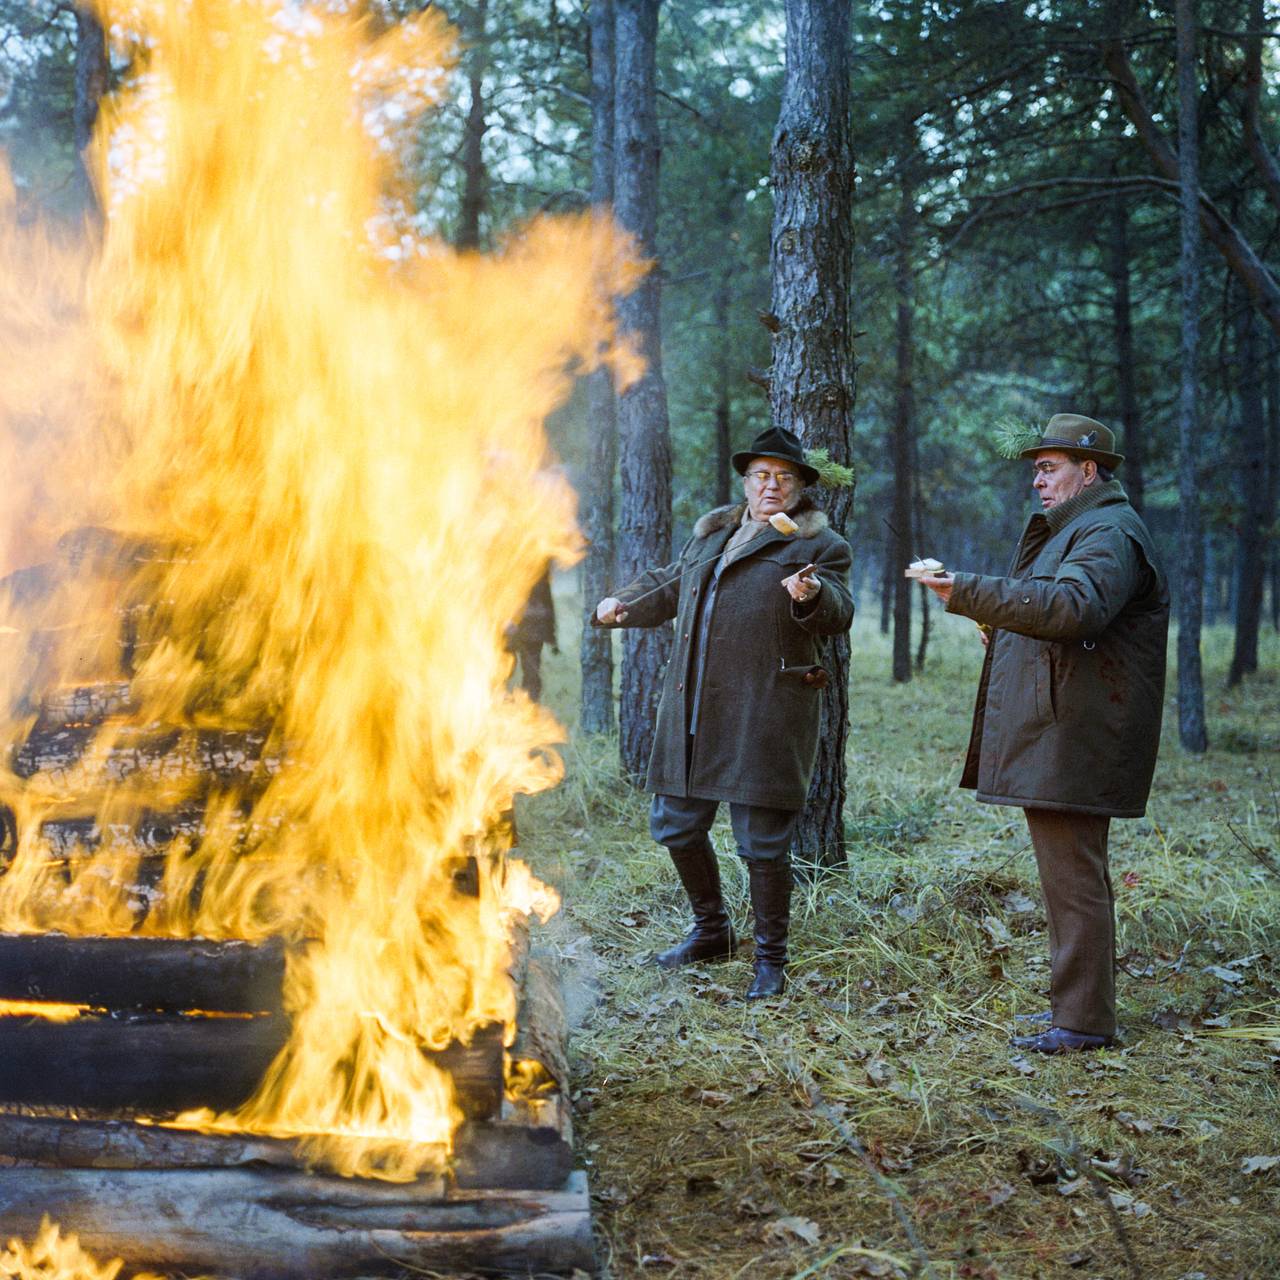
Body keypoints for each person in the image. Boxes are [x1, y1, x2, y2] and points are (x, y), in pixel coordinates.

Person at [920, 413, 1169, 1053]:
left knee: (1074, 877)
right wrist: (998, 624)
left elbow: (1074, 608)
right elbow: (1063, 616)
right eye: (1034, 468)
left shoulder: (1107, 530)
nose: (1037, 480)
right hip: (1069, 725)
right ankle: (1077, 1015)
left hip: (1080, 731)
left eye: (1049, 467)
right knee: (1069, 875)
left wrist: (966, 591)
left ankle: (1083, 1023)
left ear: (1089, 471)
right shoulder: (1081, 529)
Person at [593, 427, 853, 999]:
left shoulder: (818, 545)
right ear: (746, 482)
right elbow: (670, 585)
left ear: (801, 488)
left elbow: (839, 610)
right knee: (676, 824)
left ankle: (770, 961)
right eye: (761, 475)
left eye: (784, 478)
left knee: (761, 842)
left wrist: (812, 597)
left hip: (766, 707)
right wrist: (622, 604)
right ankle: (711, 931)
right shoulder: (715, 533)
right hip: (694, 705)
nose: (771, 486)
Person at [509, 567, 557, 701]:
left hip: (532, 628)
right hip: (514, 626)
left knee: (531, 675)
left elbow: (546, 599)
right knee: (503, 673)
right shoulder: (508, 561)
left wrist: (551, 633)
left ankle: (528, 709)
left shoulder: (538, 562)